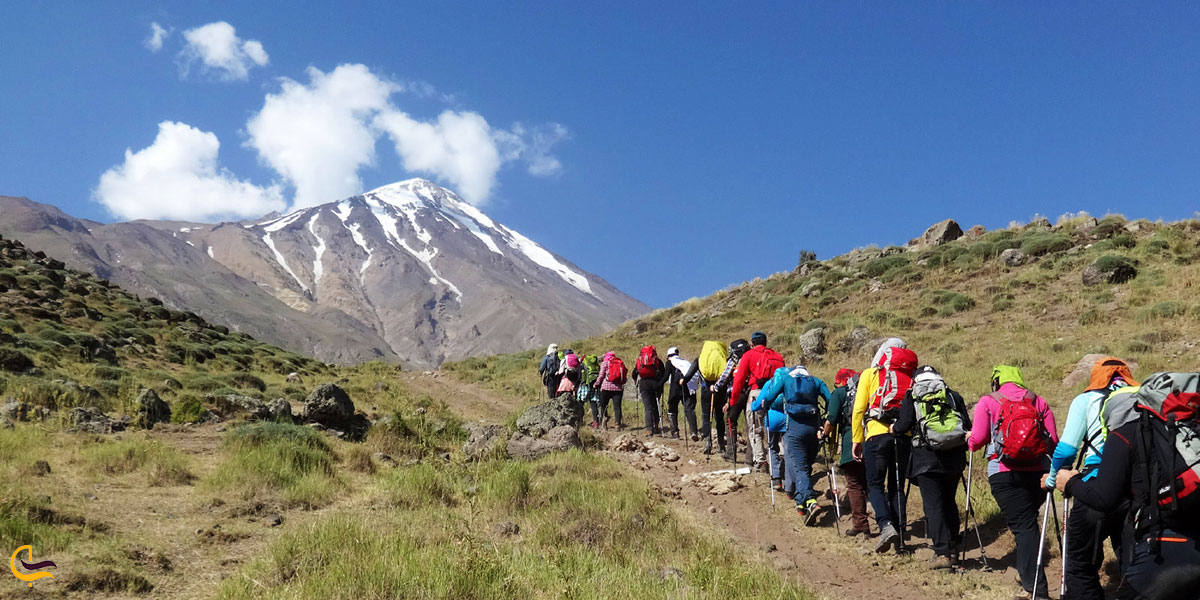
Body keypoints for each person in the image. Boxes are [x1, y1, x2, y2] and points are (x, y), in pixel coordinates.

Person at [1052, 372, 1200, 600]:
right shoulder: (1185, 435)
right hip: (1191, 536)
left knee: (1079, 563)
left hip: (1162, 544)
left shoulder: (1126, 430)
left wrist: (1068, 482)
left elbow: (1103, 497)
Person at [1044, 356, 1137, 599]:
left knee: (1079, 565)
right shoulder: (1142, 398)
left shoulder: (1086, 399)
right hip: (1135, 491)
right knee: (1135, 564)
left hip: (1096, 485)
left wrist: (1055, 479)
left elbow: (1066, 450)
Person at [968, 365, 1059, 600]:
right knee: (1027, 524)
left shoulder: (988, 401)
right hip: (1039, 472)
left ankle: (1036, 589)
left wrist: (969, 440)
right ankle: (1026, 574)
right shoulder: (1038, 401)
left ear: (997, 381)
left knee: (1024, 527)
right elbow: (1054, 440)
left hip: (1004, 472)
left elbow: (977, 439)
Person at [891, 365, 971, 570]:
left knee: (933, 505)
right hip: (954, 459)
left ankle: (943, 553)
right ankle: (953, 544)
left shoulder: (913, 395)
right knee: (949, 501)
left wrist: (894, 428)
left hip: (926, 458)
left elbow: (904, 425)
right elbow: (967, 426)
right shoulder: (952, 395)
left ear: (917, 379)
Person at [851, 338, 915, 554]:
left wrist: (856, 439)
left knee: (875, 484)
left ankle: (886, 525)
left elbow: (859, 409)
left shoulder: (870, 374)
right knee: (897, 486)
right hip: (902, 436)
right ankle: (901, 537)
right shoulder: (910, 377)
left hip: (877, 434)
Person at [759, 364, 830, 524]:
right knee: (806, 466)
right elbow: (830, 400)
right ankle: (800, 502)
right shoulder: (816, 381)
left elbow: (768, 398)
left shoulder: (785, 379)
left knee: (800, 468)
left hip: (794, 428)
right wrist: (826, 420)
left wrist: (765, 406)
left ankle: (811, 502)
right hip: (814, 429)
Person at [821, 368, 870, 536]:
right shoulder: (870, 389)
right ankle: (887, 522)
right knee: (873, 483)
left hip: (852, 440)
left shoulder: (840, 393)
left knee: (855, 484)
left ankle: (861, 523)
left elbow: (832, 418)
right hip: (874, 438)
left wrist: (823, 434)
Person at [727, 331, 785, 470]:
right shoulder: (778, 357)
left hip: (756, 393)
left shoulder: (749, 355)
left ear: (752, 344)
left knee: (755, 429)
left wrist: (733, 400)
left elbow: (739, 379)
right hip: (776, 395)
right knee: (776, 428)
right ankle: (781, 456)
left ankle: (760, 461)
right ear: (765, 342)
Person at [683, 341, 731, 454]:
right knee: (719, 417)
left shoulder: (700, 359)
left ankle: (707, 443)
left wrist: (683, 381)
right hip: (720, 391)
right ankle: (721, 445)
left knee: (706, 416)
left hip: (706, 390)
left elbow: (689, 375)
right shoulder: (724, 358)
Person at [750, 367, 791, 497]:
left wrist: (752, 405)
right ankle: (790, 480)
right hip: (789, 419)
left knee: (772, 447)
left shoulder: (770, 384)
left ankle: (776, 478)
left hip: (772, 419)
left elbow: (758, 405)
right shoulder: (792, 384)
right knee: (788, 449)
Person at [712, 339, 750, 458]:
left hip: (736, 393)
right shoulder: (751, 358)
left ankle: (730, 453)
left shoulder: (734, 361)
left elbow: (724, 377)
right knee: (750, 424)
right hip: (751, 392)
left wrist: (715, 387)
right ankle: (751, 456)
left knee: (730, 422)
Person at [665, 347, 700, 440]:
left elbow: (666, 376)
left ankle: (675, 432)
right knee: (689, 410)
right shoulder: (685, 362)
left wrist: (658, 385)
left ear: (669, 356)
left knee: (672, 410)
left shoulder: (670, 362)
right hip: (687, 387)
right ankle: (693, 432)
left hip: (675, 389)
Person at [632, 345, 667, 436]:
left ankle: (649, 429)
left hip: (644, 384)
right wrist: (660, 384)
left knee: (648, 407)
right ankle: (656, 426)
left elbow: (634, 373)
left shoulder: (640, 361)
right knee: (656, 405)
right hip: (656, 384)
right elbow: (664, 374)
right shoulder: (658, 361)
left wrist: (635, 381)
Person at [595, 351, 627, 429]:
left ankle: (604, 420)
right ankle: (617, 424)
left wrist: (596, 383)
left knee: (604, 405)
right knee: (617, 406)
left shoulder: (605, 363)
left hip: (606, 387)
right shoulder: (620, 362)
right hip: (618, 388)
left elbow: (601, 375)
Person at [579, 354, 603, 428]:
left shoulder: (585, 362)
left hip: (589, 383)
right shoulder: (595, 362)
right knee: (598, 402)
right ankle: (601, 420)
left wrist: (583, 383)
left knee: (592, 403)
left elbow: (583, 373)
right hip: (597, 383)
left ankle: (595, 422)